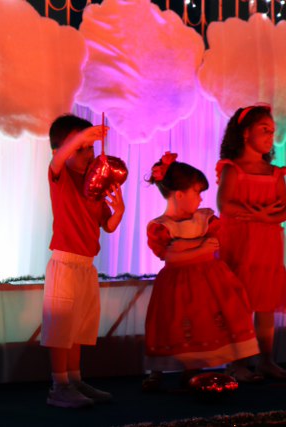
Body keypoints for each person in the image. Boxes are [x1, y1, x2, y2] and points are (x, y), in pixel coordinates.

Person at [143, 152, 258, 391]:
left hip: (209, 279)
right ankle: (159, 370)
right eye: (197, 192)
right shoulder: (161, 226)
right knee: (172, 322)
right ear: (179, 194)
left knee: (209, 319)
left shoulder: (204, 218)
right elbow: (169, 254)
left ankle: (204, 367)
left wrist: (185, 246)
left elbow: (212, 244)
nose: (200, 198)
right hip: (177, 282)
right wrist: (199, 247)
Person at [42, 114, 125, 408]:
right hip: (65, 263)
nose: (88, 153)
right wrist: (80, 138)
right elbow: (57, 159)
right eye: (80, 148)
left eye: (90, 148)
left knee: (77, 326)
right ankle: (59, 385)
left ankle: (74, 380)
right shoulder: (61, 177)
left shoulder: (94, 184)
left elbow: (108, 225)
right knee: (60, 328)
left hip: (86, 264)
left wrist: (118, 211)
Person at [217, 104, 286, 380]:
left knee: (266, 302)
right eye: (264, 129)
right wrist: (255, 214)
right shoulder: (233, 169)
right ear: (246, 133)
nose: (270, 135)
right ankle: (238, 362)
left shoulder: (274, 173)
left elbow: (284, 208)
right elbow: (224, 204)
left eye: (272, 130)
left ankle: (266, 359)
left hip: (267, 244)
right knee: (240, 303)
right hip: (240, 244)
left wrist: (268, 217)